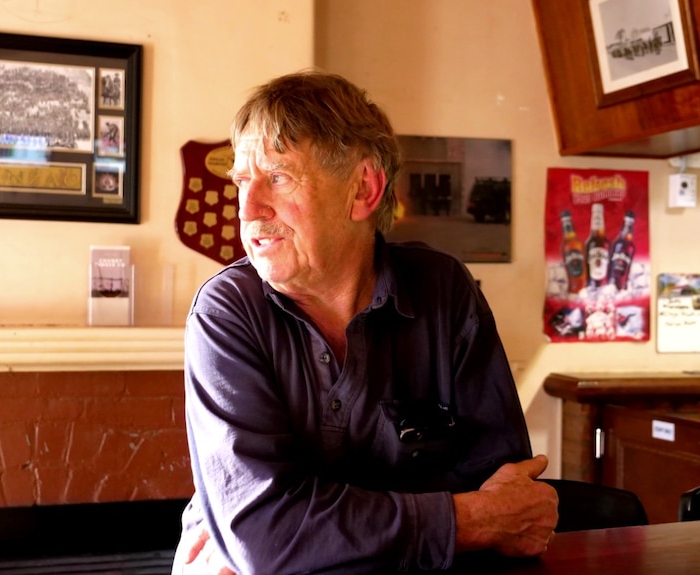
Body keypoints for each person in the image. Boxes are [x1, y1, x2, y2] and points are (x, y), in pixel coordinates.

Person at [172, 69, 558, 575]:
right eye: (243, 181)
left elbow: (509, 499)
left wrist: (311, 539)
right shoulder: (226, 312)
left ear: (364, 189)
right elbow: (264, 537)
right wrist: (467, 521)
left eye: (279, 176)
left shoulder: (443, 292)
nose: (248, 208)